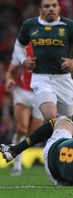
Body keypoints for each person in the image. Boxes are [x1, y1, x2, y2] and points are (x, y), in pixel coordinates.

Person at [12, 0, 73, 122]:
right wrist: (23, 60)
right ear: (40, 10)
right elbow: (18, 46)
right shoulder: (30, 25)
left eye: (54, 5)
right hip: (41, 79)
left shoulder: (69, 26)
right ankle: (31, 142)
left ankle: (57, 141)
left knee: (66, 121)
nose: (51, 9)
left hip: (64, 79)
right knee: (50, 117)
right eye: (47, 6)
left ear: (59, 9)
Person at [4, 43, 44, 176]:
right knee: (21, 128)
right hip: (23, 93)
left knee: (33, 135)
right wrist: (9, 80)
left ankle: (16, 152)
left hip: (42, 94)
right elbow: (11, 71)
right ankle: (16, 165)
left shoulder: (50, 45)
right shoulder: (22, 48)